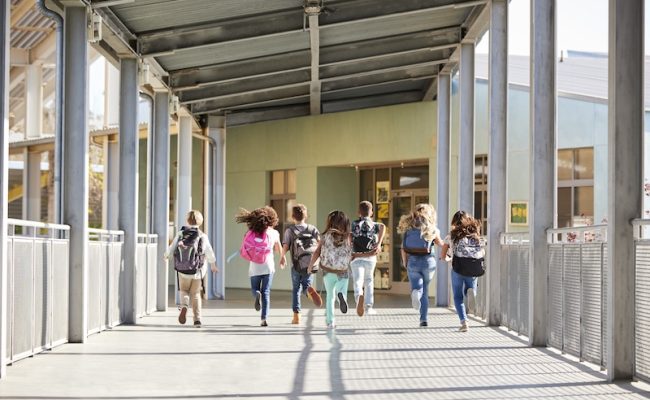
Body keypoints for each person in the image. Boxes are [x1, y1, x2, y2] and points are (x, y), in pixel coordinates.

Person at [165, 210, 218, 328]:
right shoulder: (202, 235)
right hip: (197, 271)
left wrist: (166, 257)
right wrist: (213, 264)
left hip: (182, 270)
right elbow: (209, 252)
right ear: (200, 222)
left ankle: (184, 306)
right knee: (195, 294)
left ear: (187, 221)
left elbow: (172, 248)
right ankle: (197, 320)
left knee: (183, 290)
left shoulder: (181, 233)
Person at [398, 203, 443, 327]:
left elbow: (403, 248)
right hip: (429, 262)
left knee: (417, 287)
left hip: (413, 261)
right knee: (426, 291)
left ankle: (416, 293)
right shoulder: (432, 228)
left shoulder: (409, 228)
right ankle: (423, 319)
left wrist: (405, 262)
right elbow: (441, 244)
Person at [236, 206, 283, 327]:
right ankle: (263, 319)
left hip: (254, 267)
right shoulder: (274, 233)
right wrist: (283, 258)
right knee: (266, 292)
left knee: (254, 289)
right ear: (272, 220)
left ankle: (257, 294)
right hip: (268, 267)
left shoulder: (250, 233)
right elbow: (278, 249)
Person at [440, 210, 484, 332]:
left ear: (454, 222)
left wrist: (448, 258)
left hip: (458, 268)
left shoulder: (451, 235)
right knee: (470, 287)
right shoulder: (475, 234)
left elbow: (443, 255)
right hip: (473, 266)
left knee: (458, 297)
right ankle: (472, 293)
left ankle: (464, 322)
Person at [307, 210, 352, 329]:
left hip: (328, 271)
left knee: (329, 296)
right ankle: (341, 296)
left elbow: (317, 252)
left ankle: (330, 321)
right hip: (343, 271)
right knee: (341, 291)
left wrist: (311, 265)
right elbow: (353, 253)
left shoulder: (325, 236)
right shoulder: (348, 237)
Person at [279, 204, 323, 325]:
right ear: (306, 216)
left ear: (293, 216)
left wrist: (282, 257)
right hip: (310, 263)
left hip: (296, 265)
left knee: (295, 290)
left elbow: (286, 246)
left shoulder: (290, 230)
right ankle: (309, 292)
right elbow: (320, 244)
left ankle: (296, 317)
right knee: (306, 285)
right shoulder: (312, 229)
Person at [350, 201, 385, 316]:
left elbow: (348, 237)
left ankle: (359, 298)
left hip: (356, 257)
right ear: (371, 212)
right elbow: (383, 227)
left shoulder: (353, 225)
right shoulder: (374, 224)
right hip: (370, 257)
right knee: (369, 281)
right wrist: (379, 243)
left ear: (358, 212)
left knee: (358, 281)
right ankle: (369, 307)